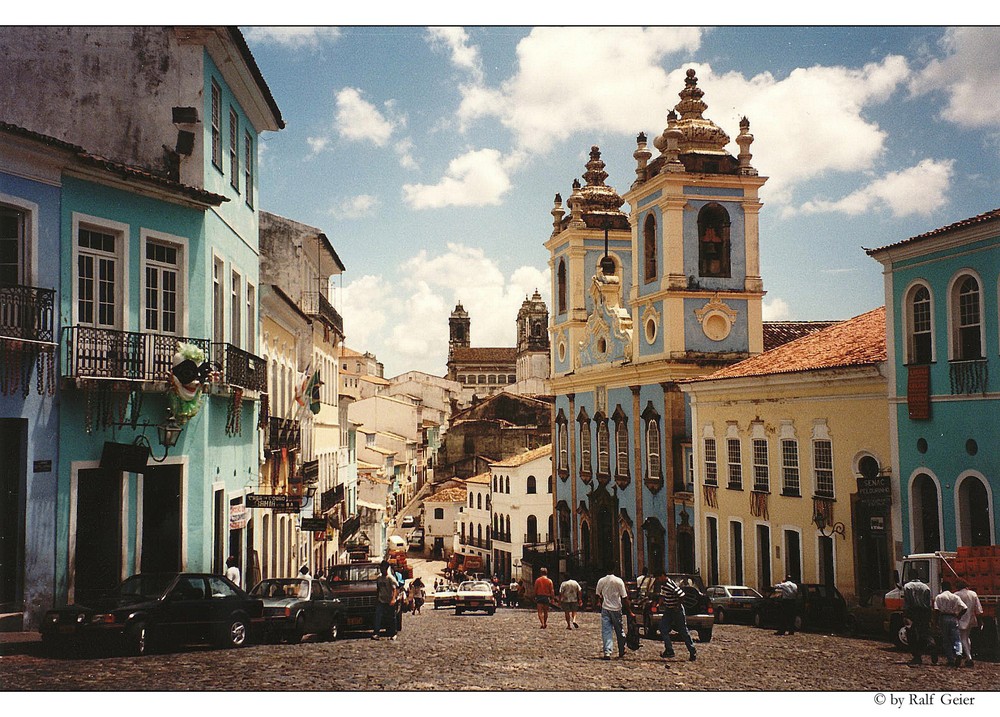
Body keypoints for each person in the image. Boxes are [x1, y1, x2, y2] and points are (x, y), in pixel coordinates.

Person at [656, 570, 696, 661]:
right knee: (663, 628)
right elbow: (662, 596)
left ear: (662, 576)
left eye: (658, 578)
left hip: (676, 610)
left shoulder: (670, 585)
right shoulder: (663, 585)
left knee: (683, 631)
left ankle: (692, 651)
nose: (658, 580)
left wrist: (677, 606)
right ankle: (669, 650)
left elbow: (681, 595)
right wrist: (659, 604)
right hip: (669, 610)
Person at [595, 566, 633, 659]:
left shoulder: (601, 581)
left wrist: (599, 602)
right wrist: (629, 611)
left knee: (606, 631)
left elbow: (597, 594)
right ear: (614, 569)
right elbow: (624, 597)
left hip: (605, 608)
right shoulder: (619, 581)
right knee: (619, 630)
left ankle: (607, 652)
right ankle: (621, 649)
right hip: (616, 608)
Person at [903, 571, 935, 665]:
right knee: (925, 632)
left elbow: (907, 602)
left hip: (912, 612)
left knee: (911, 634)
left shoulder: (907, 586)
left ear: (909, 577)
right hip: (924, 612)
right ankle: (932, 645)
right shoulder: (926, 587)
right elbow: (928, 603)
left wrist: (905, 614)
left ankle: (917, 656)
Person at [934, 580, 968, 667]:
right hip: (953, 618)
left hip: (944, 617)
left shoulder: (939, 597)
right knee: (956, 638)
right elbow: (964, 608)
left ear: (942, 588)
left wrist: (936, 621)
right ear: (950, 588)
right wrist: (959, 615)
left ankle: (950, 659)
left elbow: (936, 610)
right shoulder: (955, 597)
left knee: (946, 639)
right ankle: (959, 653)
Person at [954, 578, 984, 667]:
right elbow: (978, 609)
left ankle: (969, 657)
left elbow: (955, 608)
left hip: (961, 618)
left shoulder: (956, 594)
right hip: (971, 618)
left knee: (962, 638)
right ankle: (968, 657)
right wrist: (980, 620)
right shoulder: (973, 594)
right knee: (967, 638)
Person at [372, 561, 399, 641]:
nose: (381, 569)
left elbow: (394, 589)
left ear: (386, 568)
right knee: (378, 616)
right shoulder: (379, 578)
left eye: (383, 568)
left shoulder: (390, 578)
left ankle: (393, 633)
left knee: (391, 618)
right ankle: (376, 633)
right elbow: (378, 589)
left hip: (389, 601)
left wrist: (393, 599)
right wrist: (377, 599)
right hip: (381, 600)